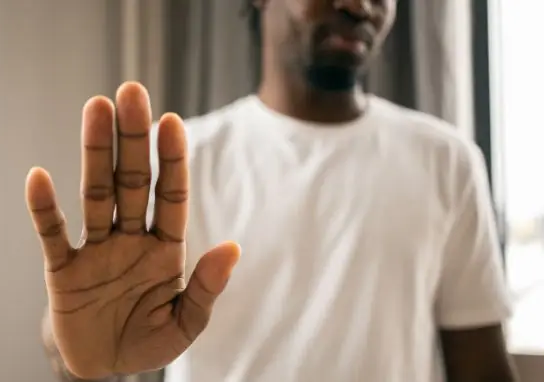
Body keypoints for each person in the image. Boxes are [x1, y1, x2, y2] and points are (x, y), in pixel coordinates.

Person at [26, 0, 518, 381]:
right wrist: (79, 355)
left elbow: (482, 371)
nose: (360, 5)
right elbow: (81, 344)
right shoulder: (178, 160)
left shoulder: (446, 160)